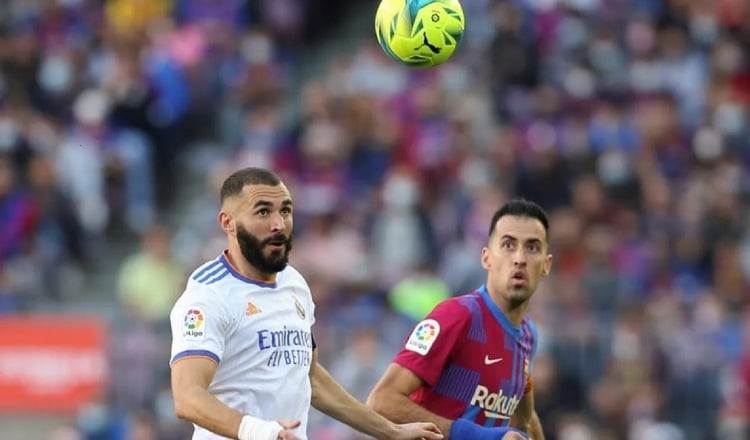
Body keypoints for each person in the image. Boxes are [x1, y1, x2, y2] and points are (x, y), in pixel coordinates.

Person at [169, 167, 443, 440]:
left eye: (285, 211)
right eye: (263, 212)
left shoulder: (294, 283)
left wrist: (390, 431)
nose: (279, 224)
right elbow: (187, 396)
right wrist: (262, 432)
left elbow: (309, 377)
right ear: (227, 222)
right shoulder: (208, 295)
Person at [367, 199, 552, 440]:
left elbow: (524, 418)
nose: (519, 258)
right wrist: (477, 436)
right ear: (486, 258)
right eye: (508, 245)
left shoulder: (529, 335)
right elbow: (382, 401)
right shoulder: (456, 316)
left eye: (532, 247)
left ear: (546, 265)